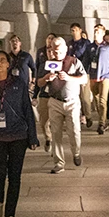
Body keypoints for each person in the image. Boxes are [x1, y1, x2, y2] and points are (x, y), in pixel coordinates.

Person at [0, 50, 39, 217]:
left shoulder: (18, 84)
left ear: (8, 64)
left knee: (15, 176)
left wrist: (33, 136)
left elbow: (27, 110)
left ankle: (10, 214)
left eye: (2, 60)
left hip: (18, 135)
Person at [38, 36, 88, 174]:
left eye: (59, 51)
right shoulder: (47, 64)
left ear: (66, 49)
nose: (56, 54)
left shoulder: (74, 62)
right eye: (54, 51)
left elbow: (84, 78)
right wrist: (46, 78)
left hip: (72, 101)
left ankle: (76, 152)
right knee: (56, 133)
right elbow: (39, 82)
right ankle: (59, 163)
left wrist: (69, 77)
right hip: (54, 101)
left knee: (74, 131)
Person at [87, 24, 109, 134]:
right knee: (96, 99)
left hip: (105, 75)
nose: (96, 34)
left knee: (102, 101)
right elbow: (86, 62)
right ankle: (102, 118)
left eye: (98, 32)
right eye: (95, 32)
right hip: (93, 76)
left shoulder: (108, 46)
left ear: (103, 34)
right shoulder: (90, 47)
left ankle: (101, 123)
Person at [33, 33, 57, 151]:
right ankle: (48, 138)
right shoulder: (42, 65)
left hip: (56, 97)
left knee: (55, 122)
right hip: (44, 95)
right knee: (43, 122)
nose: (50, 53)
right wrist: (34, 95)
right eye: (48, 51)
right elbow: (38, 80)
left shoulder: (60, 65)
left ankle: (56, 148)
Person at [67, 23, 94, 125]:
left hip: (83, 71)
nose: (74, 32)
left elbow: (88, 57)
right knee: (74, 96)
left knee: (85, 96)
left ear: (80, 30)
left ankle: (88, 116)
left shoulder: (85, 43)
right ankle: (76, 116)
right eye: (72, 30)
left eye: (76, 30)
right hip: (72, 73)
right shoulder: (69, 44)